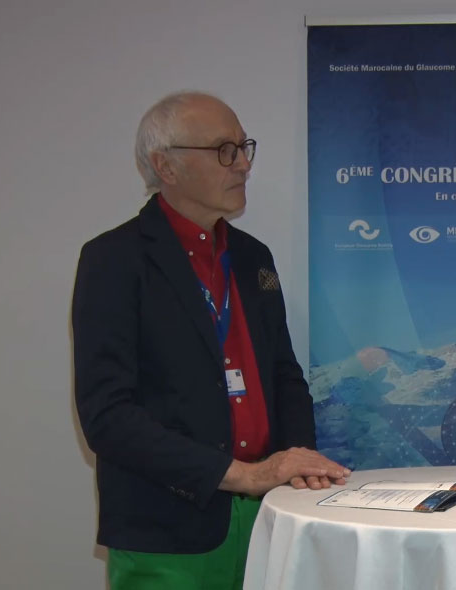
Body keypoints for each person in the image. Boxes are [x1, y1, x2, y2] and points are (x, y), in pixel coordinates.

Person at [73, 91, 350, 590]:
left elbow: (283, 375)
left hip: (269, 515)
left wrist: (296, 463)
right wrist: (242, 474)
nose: (243, 164)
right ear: (166, 166)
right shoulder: (114, 260)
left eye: (244, 147)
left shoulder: (252, 257)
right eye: (224, 150)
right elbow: (108, 417)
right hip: (168, 529)